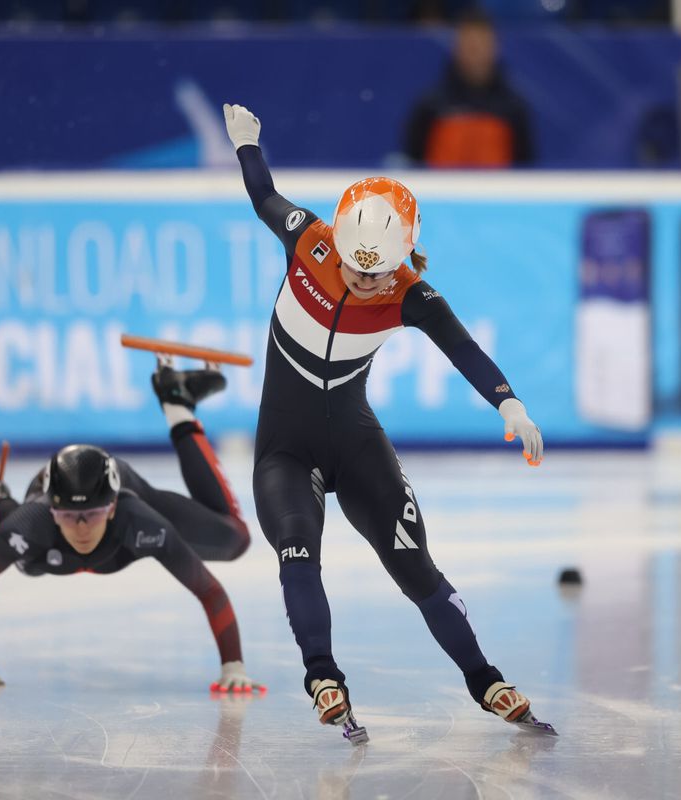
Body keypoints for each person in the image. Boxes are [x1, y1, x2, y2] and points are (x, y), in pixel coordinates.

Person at [222, 102, 548, 731]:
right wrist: (247, 145)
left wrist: (509, 402)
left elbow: (465, 349)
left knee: (415, 567)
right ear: (338, 244)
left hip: (355, 443)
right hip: (285, 452)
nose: (367, 284)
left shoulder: (411, 294)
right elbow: (263, 195)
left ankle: (484, 679)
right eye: (356, 269)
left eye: (380, 275)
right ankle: (323, 676)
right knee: (297, 550)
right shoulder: (309, 238)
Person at [0, 364, 264, 694]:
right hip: (40, 523)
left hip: (128, 486)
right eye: (69, 516)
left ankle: (178, 405)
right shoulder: (31, 523)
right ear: (52, 511)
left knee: (235, 539)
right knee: (14, 557)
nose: (82, 528)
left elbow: (208, 590)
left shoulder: (139, 519)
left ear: (111, 509)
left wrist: (233, 666)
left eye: (93, 514)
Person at [403, 8, 536, 168]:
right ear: (457, 48)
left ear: (495, 48)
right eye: (470, 44)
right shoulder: (430, 105)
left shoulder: (514, 108)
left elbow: (526, 168)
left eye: (481, 43)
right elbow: (412, 163)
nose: (475, 51)